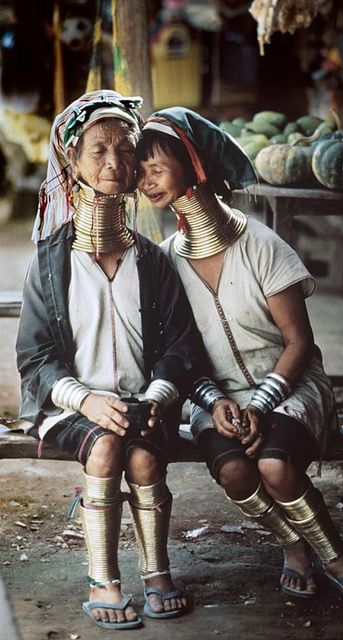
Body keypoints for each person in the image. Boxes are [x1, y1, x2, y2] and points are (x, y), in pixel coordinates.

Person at [135, 107, 343, 606]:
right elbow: (177, 353)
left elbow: (299, 344)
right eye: (139, 174)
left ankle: (336, 556)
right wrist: (214, 401)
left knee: (273, 466)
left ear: (194, 164)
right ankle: (292, 545)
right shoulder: (164, 261)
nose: (146, 181)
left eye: (156, 167)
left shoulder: (261, 245)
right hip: (215, 395)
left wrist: (261, 405)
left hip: (290, 383)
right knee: (233, 471)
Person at [16, 91, 204, 630]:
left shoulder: (152, 259)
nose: (114, 164)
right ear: (72, 163)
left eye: (125, 150)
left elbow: (180, 347)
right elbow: (35, 358)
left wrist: (155, 396)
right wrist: (88, 400)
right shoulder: (51, 264)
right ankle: (104, 579)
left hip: (144, 401)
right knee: (104, 452)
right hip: (74, 403)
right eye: (98, 151)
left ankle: (157, 574)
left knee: (143, 460)